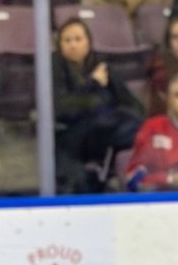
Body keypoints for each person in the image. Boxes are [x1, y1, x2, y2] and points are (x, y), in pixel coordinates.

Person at [52, 17, 144, 194]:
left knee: (132, 123)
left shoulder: (101, 67)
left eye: (78, 39)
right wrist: (92, 84)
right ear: (59, 44)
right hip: (71, 136)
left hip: (104, 132)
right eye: (67, 40)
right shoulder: (54, 67)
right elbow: (63, 109)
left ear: (88, 42)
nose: (73, 45)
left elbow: (131, 102)